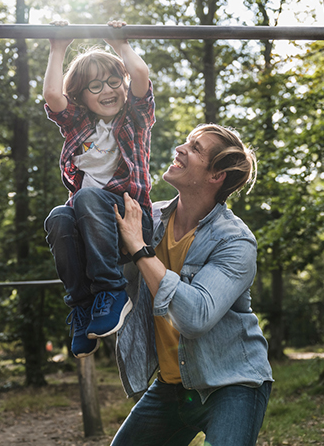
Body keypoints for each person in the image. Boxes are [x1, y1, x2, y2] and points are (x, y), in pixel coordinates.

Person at [111, 124, 274, 446]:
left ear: (216, 176)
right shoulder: (148, 219)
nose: (180, 149)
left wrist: (140, 249)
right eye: (186, 141)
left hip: (232, 383)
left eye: (195, 148)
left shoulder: (235, 241)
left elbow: (195, 317)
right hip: (172, 384)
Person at [43, 20, 155, 358]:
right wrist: (57, 47)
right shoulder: (78, 124)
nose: (107, 90)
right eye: (95, 86)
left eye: (112, 81)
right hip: (90, 231)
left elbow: (140, 76)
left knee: (86, 197)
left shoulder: (134, 118)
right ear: (79, 96)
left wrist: (119, 43)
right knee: (59, 217)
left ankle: (112, 290)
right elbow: (52, 95)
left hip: (131, 223)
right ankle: (82, 307)